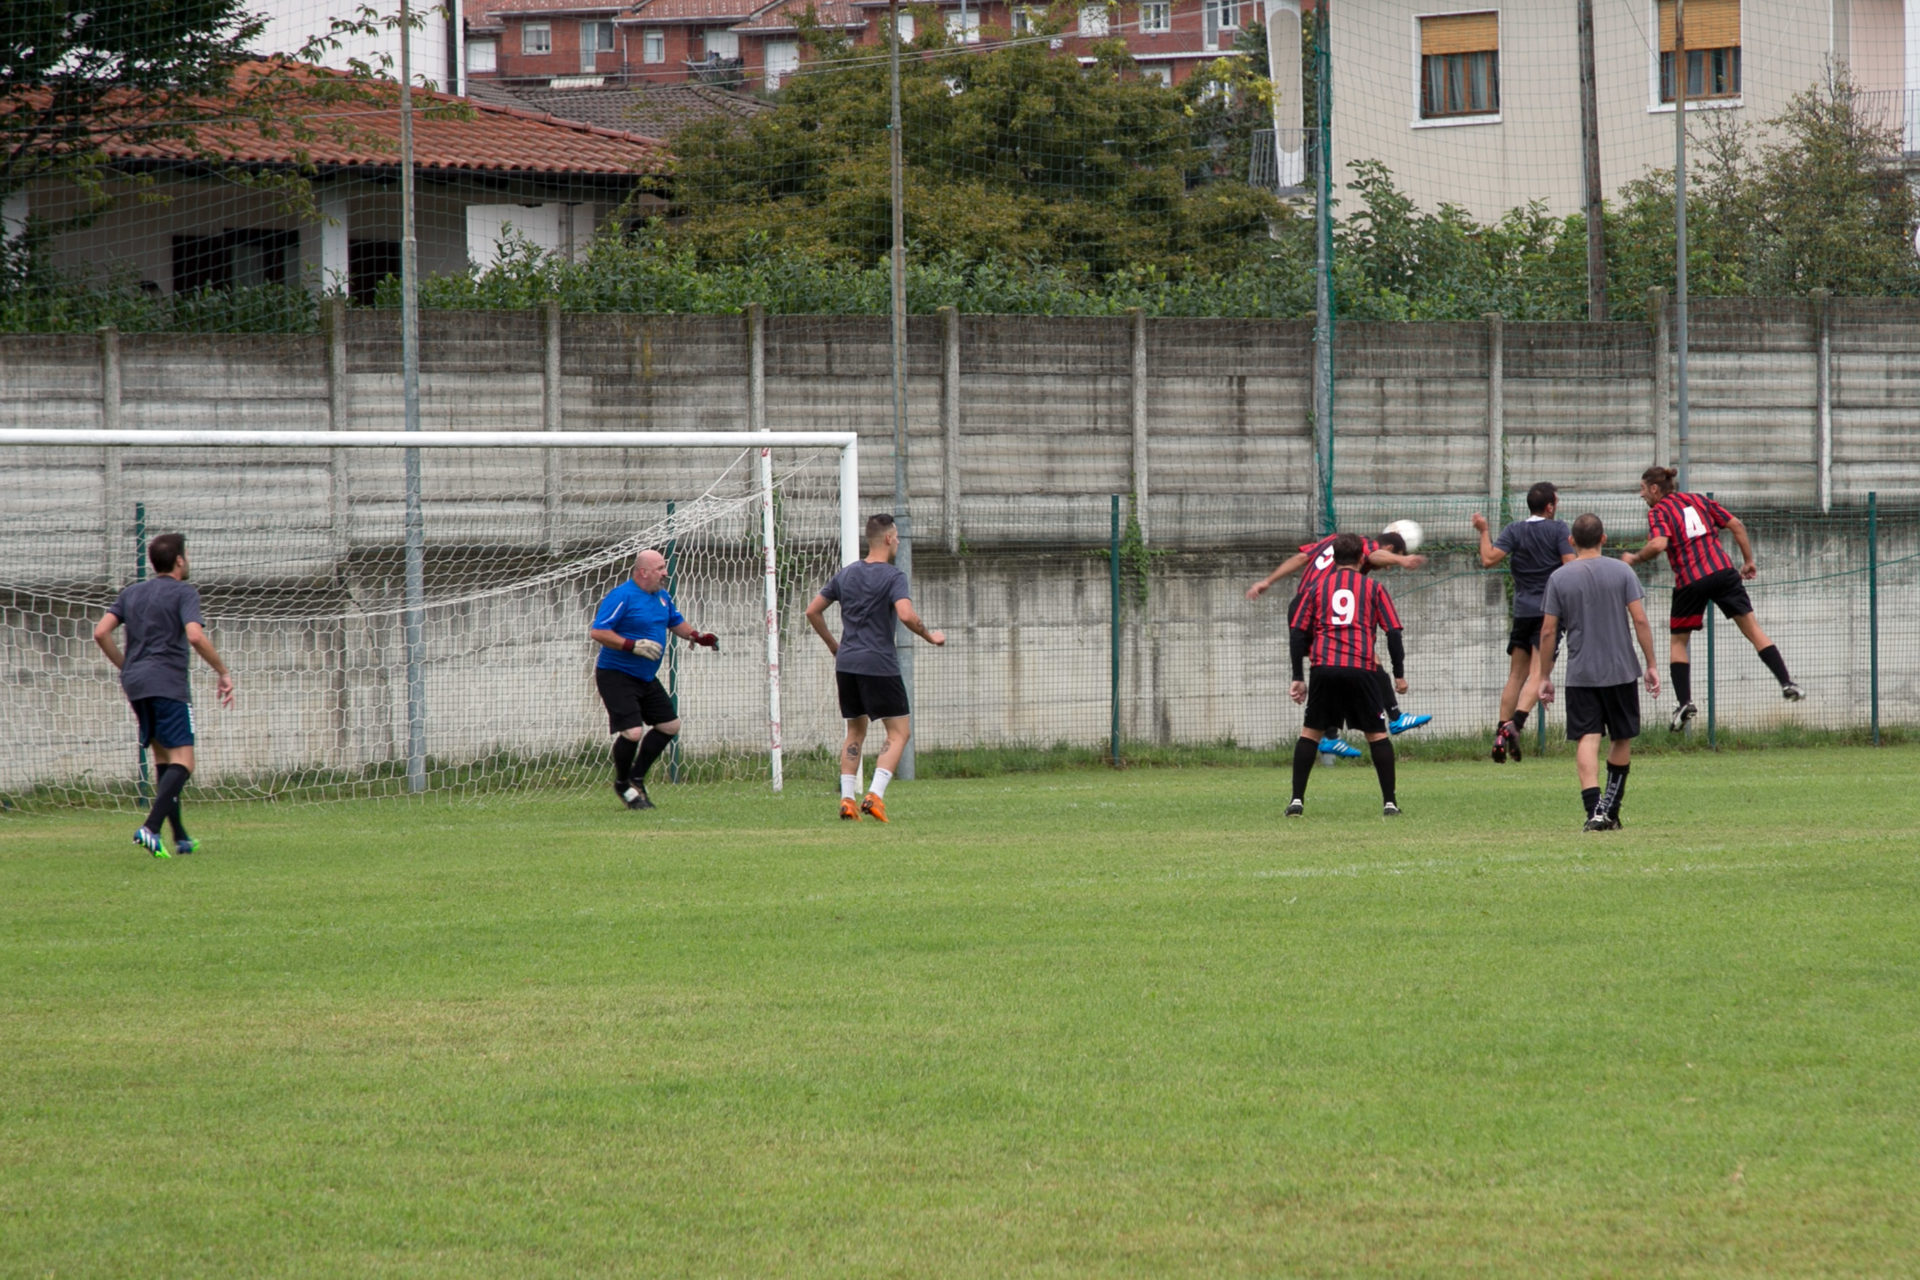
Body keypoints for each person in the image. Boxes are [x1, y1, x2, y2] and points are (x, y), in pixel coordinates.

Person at [1621, 466, 1803, 731]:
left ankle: (1684, 702)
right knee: (1753, 630)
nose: (1641, 495)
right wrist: (1748, 561)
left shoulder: (1659, 511)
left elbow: (1659, 544)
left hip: (1690, 580)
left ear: (1655, 489)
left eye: (1643, 489)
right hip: (1723, 572)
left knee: (1679, 641)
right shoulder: (1698, 500)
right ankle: (1786, 682)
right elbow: (1736, 525)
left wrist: (1635, 558)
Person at [92, 532, 235, 858]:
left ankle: (180, 837)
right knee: (184, 761)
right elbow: (195, 636)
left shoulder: (131, 592)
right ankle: (150, 828)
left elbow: (100, 632)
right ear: (180, 560)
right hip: (167, 684)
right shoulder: (184, 592)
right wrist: (223, 672)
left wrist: (127, 666)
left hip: (136, 684)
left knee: (164, 759)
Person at [804, 513, 945, 824]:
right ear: (889, 538)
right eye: (897, 537)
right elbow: (906, 615)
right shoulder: (894, 577)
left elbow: (812, 611)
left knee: (855, 731)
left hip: (847, 664)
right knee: (899, 732)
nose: (898, 542)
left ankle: (847, 800)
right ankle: (874, 795)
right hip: (878, 663)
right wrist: (930, 636)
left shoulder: (847, 574)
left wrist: (834, 647)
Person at [1249, 526, 1431, 757]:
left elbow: (1301, 558)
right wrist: (1401, 560)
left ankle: (1331, 736)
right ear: (1389, 548)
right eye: (1391, 560)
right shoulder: (1364, 546)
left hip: (1302, 605)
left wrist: (1267, 581)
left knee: (1331, 662)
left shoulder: (1332, 542)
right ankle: (1395, 718)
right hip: (1320, 605)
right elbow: (1375, 554)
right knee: (1366, 658)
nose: (1388, 567)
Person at [1536, 514, 1662, 831]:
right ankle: (1610, 810)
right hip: (1621, 670)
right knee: (1621, 736)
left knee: (1587, 737)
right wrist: (1651, 664)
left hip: (1581, 673)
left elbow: (1548, 631)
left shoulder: (1559, 578)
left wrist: (1544, 676)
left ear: (1571, 541)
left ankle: (1595, 811)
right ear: (1604, 538)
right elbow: (1640, 620)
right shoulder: (1622, 571)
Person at [1283, 533, 1408, 819]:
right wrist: (1399, 674)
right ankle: (1389, 803)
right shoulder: (1373, 587)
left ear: (1334, 559)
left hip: (1324, 667)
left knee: (1310, 733)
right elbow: (1393, 631)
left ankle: (1296, 801)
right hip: (1362, 667)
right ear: (1363, 558)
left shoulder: (1316, 588)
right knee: (1377, 734)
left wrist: (1297, 676)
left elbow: (1297, 632)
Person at [588, 548, 718, 810]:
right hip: (616, 675)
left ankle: (636, 778)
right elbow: (598, 632)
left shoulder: (662, 596)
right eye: (660, 568)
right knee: (633, 732)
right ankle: (623, 784)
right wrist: (632, 645)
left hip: (645, 676)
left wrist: (696, 636)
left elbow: (675, 621)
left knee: (670, 726)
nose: (665, 573)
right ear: (643, 572)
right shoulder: (622, 596)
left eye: (664, 567)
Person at [1472, 482, 1577, 763]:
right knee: (1538, 674)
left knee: (1515, 676)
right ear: (1550, 506)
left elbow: (1488, 559)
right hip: (1549, 614)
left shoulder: (1514, 530)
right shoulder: (1558, 529)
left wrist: (1483, 531)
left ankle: (1499, 733)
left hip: (1522, 611)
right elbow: (1571, 567)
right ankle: (1514, 726)